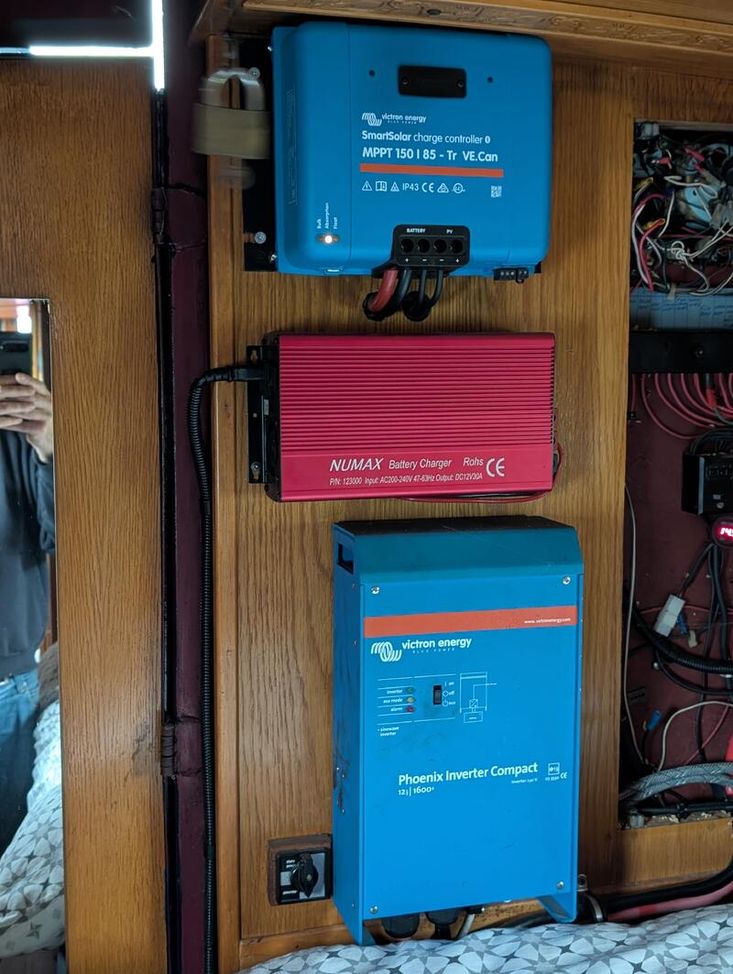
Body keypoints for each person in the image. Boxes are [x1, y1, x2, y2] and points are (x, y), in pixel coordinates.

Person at [0, 372, 54, 853]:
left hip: (8, 685)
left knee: (8, 848)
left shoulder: (18, 433)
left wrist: (50, 450)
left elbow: (62, 537)